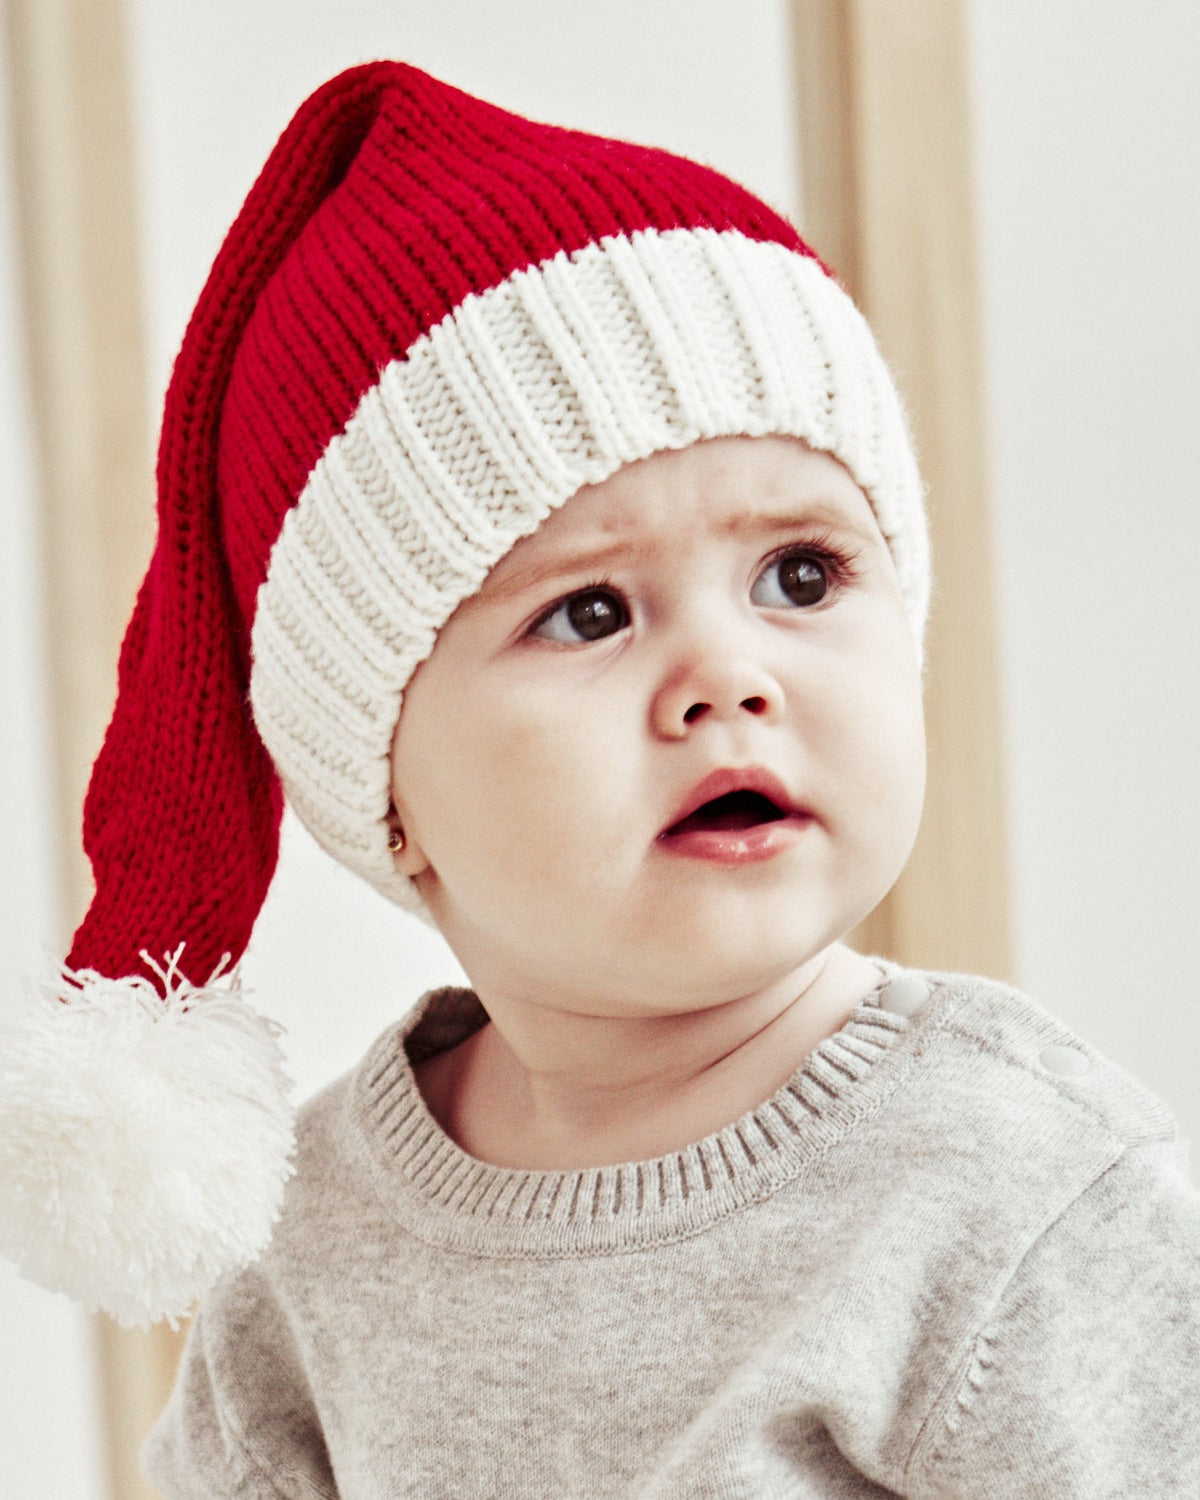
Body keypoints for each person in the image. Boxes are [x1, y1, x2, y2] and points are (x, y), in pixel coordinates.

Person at [1, 59, 1197, 1498]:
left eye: (800, 574)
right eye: (589, 612)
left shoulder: (1017, 1190)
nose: (727, 675)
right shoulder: (316, 1259)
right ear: (385, 784)